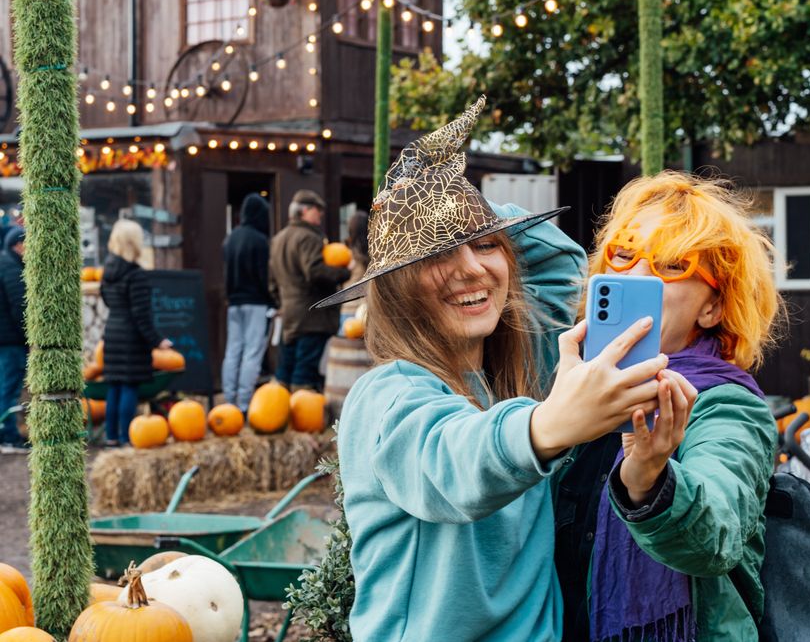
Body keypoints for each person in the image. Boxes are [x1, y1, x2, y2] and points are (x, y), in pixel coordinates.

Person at [318, 97, 666, 641]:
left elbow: (562, 266)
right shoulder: (385, 398)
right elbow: (453, 462)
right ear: (394, 287)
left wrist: (457, 199)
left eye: (486, 246)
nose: (471, 268)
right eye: (435, 255)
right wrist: (548, 426)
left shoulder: (519, 369)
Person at [555, 172, 784, 641]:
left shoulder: (728, 407)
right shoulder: (569, 385)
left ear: (713, 309)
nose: (638, 276)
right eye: (624, 253)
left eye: (671, 264)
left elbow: (717, 536)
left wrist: (650, 480)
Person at [269, 189, 350, 390]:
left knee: (284, 372)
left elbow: (271, 281)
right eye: (317, 210)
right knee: (304, 373)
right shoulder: (308, 237)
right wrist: (343, 274)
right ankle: (301, 418)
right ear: (304, 211)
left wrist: (282, 303)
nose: (320, 214)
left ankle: (278, 417)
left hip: (289, 315)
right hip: (312, 316)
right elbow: (315, 271)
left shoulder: (279, 239)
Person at [100, 219, 171, 446]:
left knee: (115, 386)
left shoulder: (107, 271)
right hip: (130, 337)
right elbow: (142, 315)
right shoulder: (136, 274)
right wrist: (158, 340)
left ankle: (111, 436)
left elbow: (106, 300)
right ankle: (126, 437)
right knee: (129, 385)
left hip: (112, 332)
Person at [221, 193, 273, 412]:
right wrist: (272, 301)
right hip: (256, 303)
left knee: (232, 352)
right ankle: (243, 405)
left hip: (234, 303)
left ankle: (228, 401)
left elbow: (226, 276)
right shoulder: (260, 241)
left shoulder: (229, 239)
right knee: (252, 352)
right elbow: (264, 278)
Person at [0, 226, 28, 451]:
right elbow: (20, 308)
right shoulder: (11, 267)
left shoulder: (5, 263)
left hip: (5, 339)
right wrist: (29, 337)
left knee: (5, 387)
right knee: (9, 390)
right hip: (10, 341)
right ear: (18, 245)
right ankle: (8, 436)